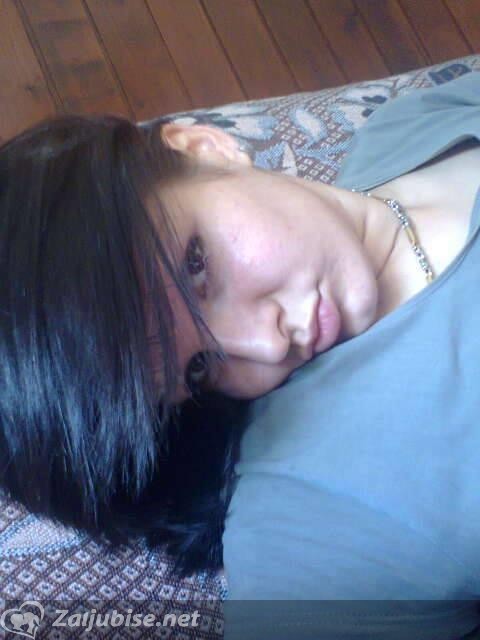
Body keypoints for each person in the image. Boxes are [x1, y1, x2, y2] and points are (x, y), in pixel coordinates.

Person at [0, 69, 479, 637]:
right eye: (198, 369)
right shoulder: (316, 519)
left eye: (196, 267)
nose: (266, 344)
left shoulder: (407, 124)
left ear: (203, 148)